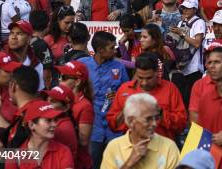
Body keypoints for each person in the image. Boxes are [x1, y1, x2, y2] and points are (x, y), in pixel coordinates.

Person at [106, 53, 187, 141]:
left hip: (162, 149)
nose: (144, 83)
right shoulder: (124, 90)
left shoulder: (170, 89)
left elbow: (181, 125)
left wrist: (160, 113)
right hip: (131, 149)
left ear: (157, 72)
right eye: (140, 77)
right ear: (135, 72)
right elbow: (113, 125)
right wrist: (126, 111)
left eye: (149, 78)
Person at [80, 31, 129, 169]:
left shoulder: (119, 66)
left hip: (114, 127)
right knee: (92, 164)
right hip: (93, 127)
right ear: (100, 50)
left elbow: (127, 91)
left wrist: (119, 95)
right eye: (111, 48)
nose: (115, 51)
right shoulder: (82, 65)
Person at [101, 93, 181, 169]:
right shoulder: (114, 147)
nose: (154, 124)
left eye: (156, 118)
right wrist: (130, 162)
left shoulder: (169, 147)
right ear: (131, 121)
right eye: (148, 119)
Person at [4, 100, 74, 169]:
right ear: (31, 125)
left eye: (55, 120)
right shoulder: (14, 156)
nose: (54, 124)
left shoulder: (63, 152)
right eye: (48, 120)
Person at [56, 60, 94, 169]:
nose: (59, 79)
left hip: (79, 164)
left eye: (64, 77)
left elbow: (83, 141)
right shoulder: (63, 101)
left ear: (77, 81)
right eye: (59, 76)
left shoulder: (85, 106)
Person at [171, 0, 206, 109]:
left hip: (194, 68)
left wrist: (181, 34)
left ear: (195, 9)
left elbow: (197, 43)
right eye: (183, 8)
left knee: (192, 103)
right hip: (182, 67)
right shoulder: (181, 22)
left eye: (188, 8)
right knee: (182, 101)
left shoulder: (199, 22)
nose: (185, 10)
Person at [42, 84, 79, 158]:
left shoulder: (60, 129)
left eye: (52, 101)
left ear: (66, 107)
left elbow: (35, 156)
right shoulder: (59, 123)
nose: (47, 104)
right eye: (46, 99)